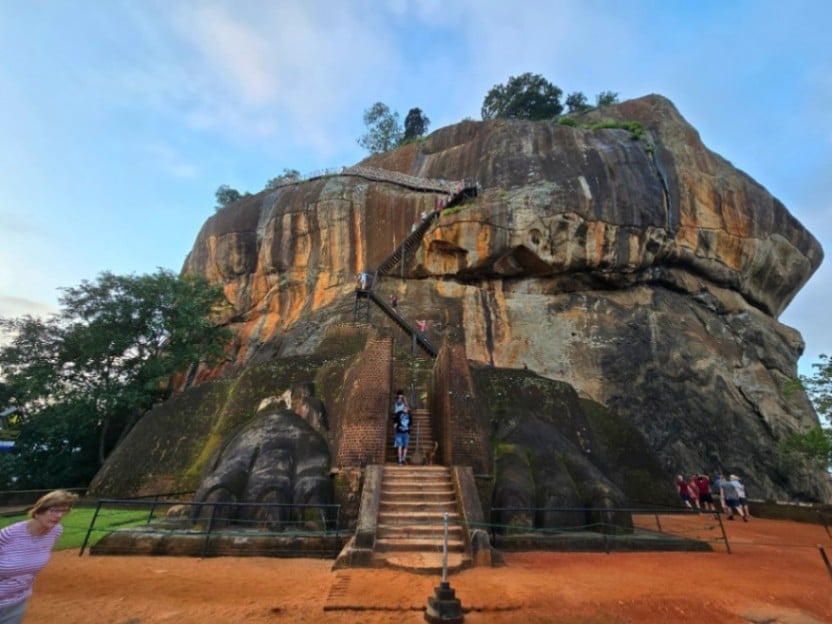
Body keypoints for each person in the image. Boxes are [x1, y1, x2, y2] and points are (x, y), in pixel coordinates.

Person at [0, 489, 80, 623]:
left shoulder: (55, 532)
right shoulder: (9, 534)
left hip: (16, 602)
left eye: (63, 511)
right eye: (54, 510)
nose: (59, 516)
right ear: (38, 512)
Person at [392, 390, 411, 465]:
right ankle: (401, 459)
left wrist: (404, 399)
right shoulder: (397, 403)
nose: (400, 398)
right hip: (398, 422)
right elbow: (397, 402)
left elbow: (407, 406)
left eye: (401, 397)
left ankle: (402, 459)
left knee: (404, 446)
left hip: (404, 429)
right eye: (399, 397)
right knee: (400, 445)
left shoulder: (404, 404)